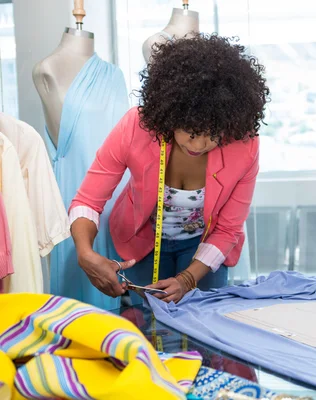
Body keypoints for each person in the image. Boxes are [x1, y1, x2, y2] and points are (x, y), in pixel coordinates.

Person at [69, 34, 269, 304]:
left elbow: (228, 229)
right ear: (170, 114)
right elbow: (89, 200)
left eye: (212, 135)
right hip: (141, 240)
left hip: (206, 242)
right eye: (190, 131)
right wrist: (84, 252)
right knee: (145, 319)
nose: (198, 144)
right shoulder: (136, 127)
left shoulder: (244, 144)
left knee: (205, 323)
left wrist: (188, 278)